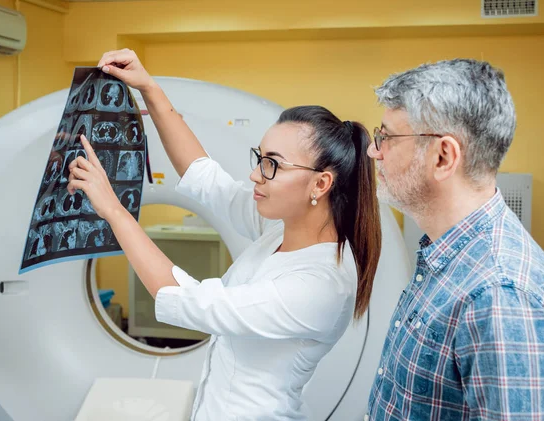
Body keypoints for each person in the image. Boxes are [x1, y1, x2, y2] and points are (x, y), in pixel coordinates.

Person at [66, 48, 382, 420]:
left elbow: (191, 301)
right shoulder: (279, 229)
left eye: (272, 165)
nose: (255, 174)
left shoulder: (321, 284)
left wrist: (113, 209)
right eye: (259, 157)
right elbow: (205, 178)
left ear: (321, 183)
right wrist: (149, 87)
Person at [366, 59, 544, 420]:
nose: (375, 151)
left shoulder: (498, 294)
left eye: (386, 137)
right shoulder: (445, 254)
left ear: (443, 156)